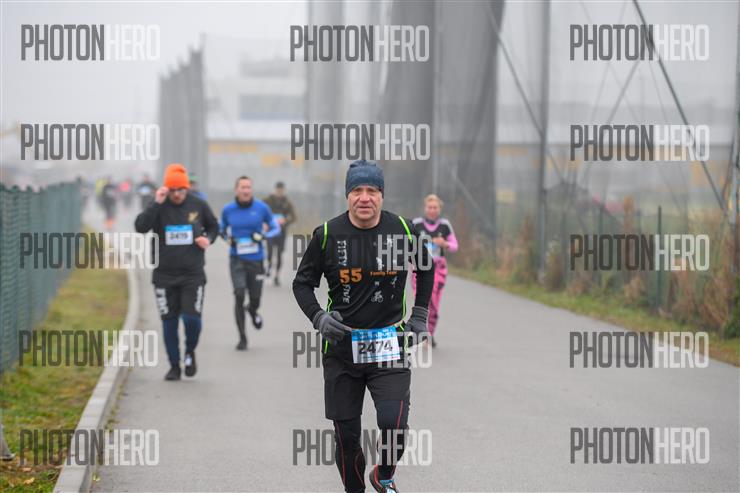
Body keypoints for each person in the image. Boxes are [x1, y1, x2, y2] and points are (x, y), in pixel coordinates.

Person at [293, 159, 434, 493]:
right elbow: (302, 284)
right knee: (347, 437)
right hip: (342, 349)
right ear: (348, 195)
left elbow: (426, 268)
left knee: (393, 424)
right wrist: (319, 317)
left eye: (372, 190)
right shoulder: (327, 235)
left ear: (382, 195)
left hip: (390, 345)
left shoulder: (403, 230)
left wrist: (419, 314)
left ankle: (383, 475)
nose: (365, 197)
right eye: (357, 190)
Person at [134, 163, 219, 381]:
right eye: (173, 190)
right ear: (166, 189)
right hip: (164, 275)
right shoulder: (158, 205)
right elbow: (141, 227)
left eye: (181, 190)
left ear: (187, 188)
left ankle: (190, 352)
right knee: (169, 323)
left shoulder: (198, 204)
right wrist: (156, 202)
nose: (177, 194)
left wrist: (207, 239)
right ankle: (174, 365)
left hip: (193, 274)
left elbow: (214, 226)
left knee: (191, 319)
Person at [221, 176, 280, 350]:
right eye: (242, 187)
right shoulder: (228, 210)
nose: (246, 190)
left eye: (248, 187)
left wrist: (263, 236)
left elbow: (275, 227)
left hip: (256, 260)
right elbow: (220, 229)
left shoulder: (262, 208)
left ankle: (252, 310)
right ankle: (242, 337)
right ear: (236, 190)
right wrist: (228, 239)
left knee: (255, 298)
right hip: (237, 259)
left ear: (251, 190)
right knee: (239, 294)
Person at [411, 194, 459, 348]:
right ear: (425, 208)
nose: (432, 210)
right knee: (423, 300)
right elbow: (406, 242)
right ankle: (422, 333)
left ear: (440, 209)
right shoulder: (416, 224)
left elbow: (454, 246)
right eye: (430, 207)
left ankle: (429, 334)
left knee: (434, 303)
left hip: (439, 267)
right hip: (420, 267)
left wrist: (444, 243)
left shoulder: (444, 225)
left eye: (435, 208)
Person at [263, 181, 296, 286]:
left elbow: (294, 217)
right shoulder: (267, 201)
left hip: (281, 232)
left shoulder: (287, 203)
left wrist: (285, 220)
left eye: (281, 191)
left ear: (284, 191)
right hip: (270, 231)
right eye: (278, 190)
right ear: (275, 190)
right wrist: (265, 222)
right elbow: (261, 212)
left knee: (279, 254)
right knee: (270, 252)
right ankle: (269, 267)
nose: (280, 192)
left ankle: (277, 275)